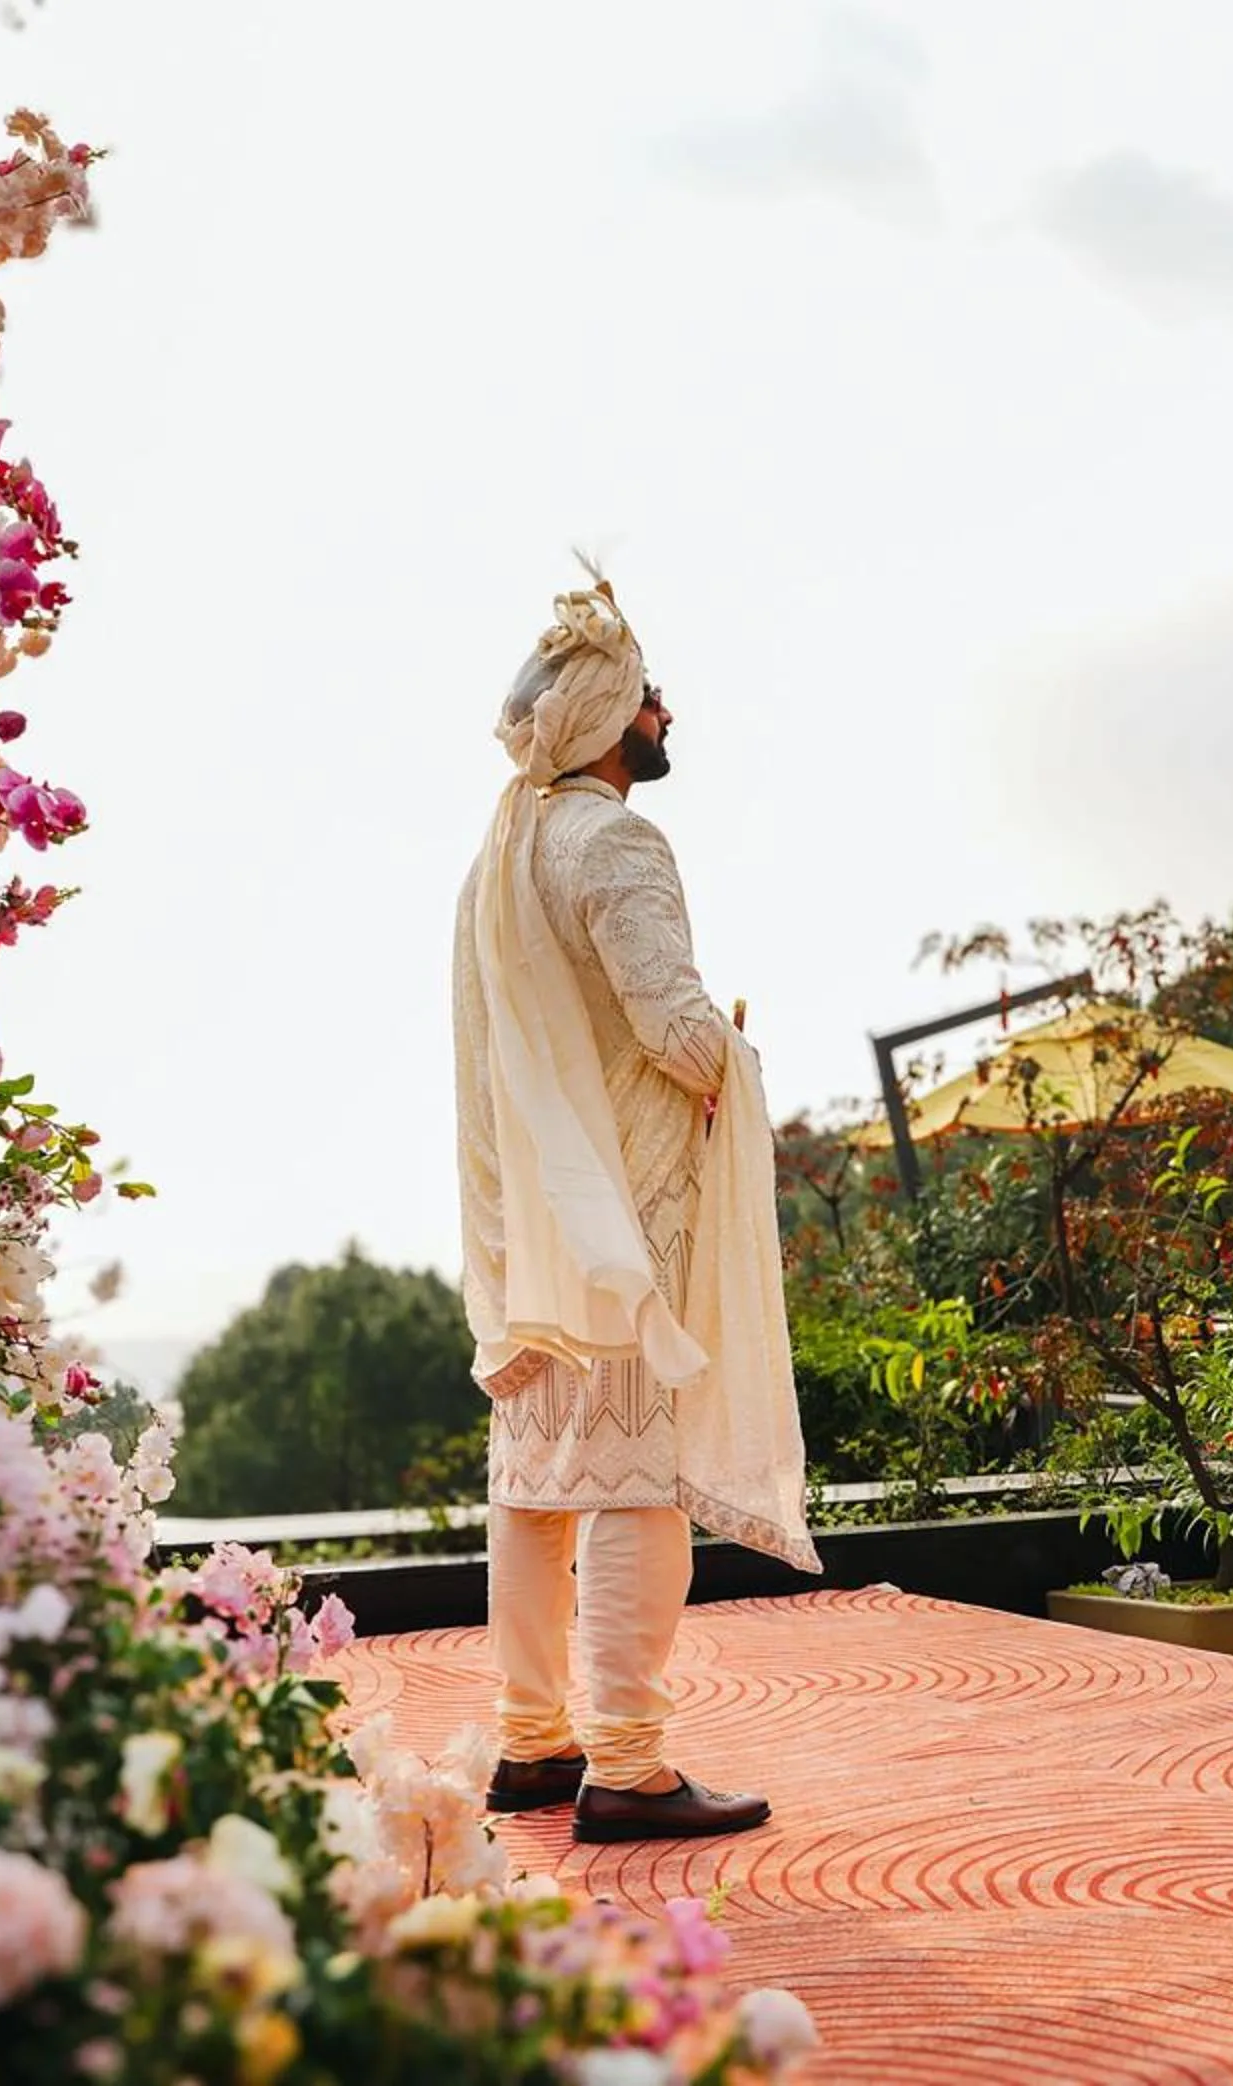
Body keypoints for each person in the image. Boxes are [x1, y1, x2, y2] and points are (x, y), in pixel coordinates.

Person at [451, 570, 818, 1843]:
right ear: (610, 714)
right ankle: (628, 1766)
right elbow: (672, 1023)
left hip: (535, 1224)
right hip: (628, 1209)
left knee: (538, 1481)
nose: (667, 710)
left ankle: (532, 1743)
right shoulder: (611, 840)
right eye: (650, 693)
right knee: (634, 1480)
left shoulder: (499, 853)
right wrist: (736, 1056)